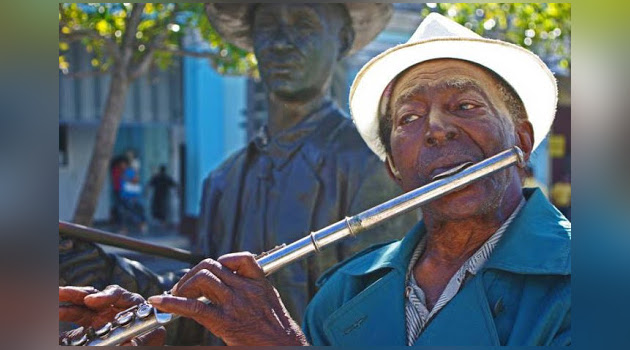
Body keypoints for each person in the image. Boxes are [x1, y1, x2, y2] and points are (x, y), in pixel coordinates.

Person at [132, 13, 569, 346]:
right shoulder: (344, 292)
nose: (436, 128)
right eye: (410, 117)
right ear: (394, 168)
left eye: (466, 106)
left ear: (522, 141)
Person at [59, 3, 417, 345]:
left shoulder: (374, 167)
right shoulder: (223, 180)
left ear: (340, 39)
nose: (280, 42)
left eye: (303, 25)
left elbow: (377, 324)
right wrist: (105, 271)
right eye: (267, 28)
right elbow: (199, 308)